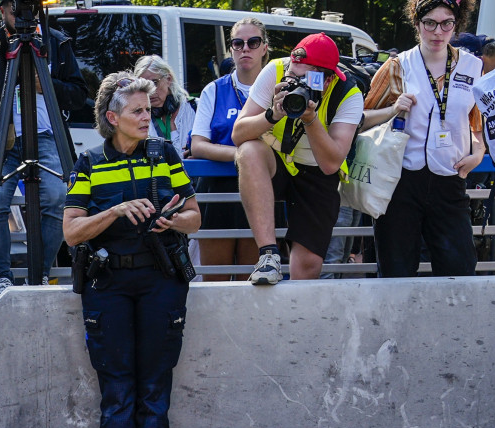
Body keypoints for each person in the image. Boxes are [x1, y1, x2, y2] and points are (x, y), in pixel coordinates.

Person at [63, 73, 200, 428]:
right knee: (118, 395)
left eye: (150, 109)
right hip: (110, 285)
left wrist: (170, 221)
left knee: (154, 395)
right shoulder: (88, 162)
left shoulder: (164, 153)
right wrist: (116, 211)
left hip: (161, 282)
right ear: (112, 118)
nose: (149, 116)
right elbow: (71, 231)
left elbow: (195, 218)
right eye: (139, 110)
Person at [0, 0, 88, 296]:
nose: (23, 18)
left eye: (28, 9)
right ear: (2, 10)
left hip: (46, 135)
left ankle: (40, 275)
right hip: (0, 139)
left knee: (60, 197)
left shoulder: (56, 42)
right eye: (15, 10)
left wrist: (45, 85)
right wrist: (10, 77)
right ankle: (2, 278)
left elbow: (80, 94)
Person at [358, 0, 485, 278]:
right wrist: (393, 109)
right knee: (396, 271)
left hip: (450, 179)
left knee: (460, 270)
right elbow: (361, 119)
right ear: (417, 24)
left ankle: (448, 323)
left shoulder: (473, 67)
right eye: (430, 23)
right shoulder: (397, 66)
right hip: (401, 180)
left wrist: (477, 154)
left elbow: (477, 126)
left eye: (446, 23)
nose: (438, 32)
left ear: (456, 25)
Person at [233, 32, 365, 284]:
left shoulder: (349, 93)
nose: (296, 83)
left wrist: (311, 119)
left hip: (317, 171)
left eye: (306, 80)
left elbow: (331, 164)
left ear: (326, 81)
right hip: (276, 161)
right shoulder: (275, 70)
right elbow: (238, 134)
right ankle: (268, 255)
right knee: (249, 150)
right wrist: (273, 114)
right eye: (293, 76)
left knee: (307, 269)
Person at [187, 18, 270, 281]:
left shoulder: (278, 89)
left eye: (253, 42)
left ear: (264, 48)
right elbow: (197, 145)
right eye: (238, 43)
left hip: (263, 193)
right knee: (215, 280)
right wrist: (244, 158)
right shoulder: (214, 89)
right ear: (231, 49)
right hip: (216, 191)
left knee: (255, 282)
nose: (245, 49)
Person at [132, 55, 194, 152]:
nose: (151, 91)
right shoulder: (140, 118)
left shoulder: (196, 108)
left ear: (168, 79)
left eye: (154, 83)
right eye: (144, 86)